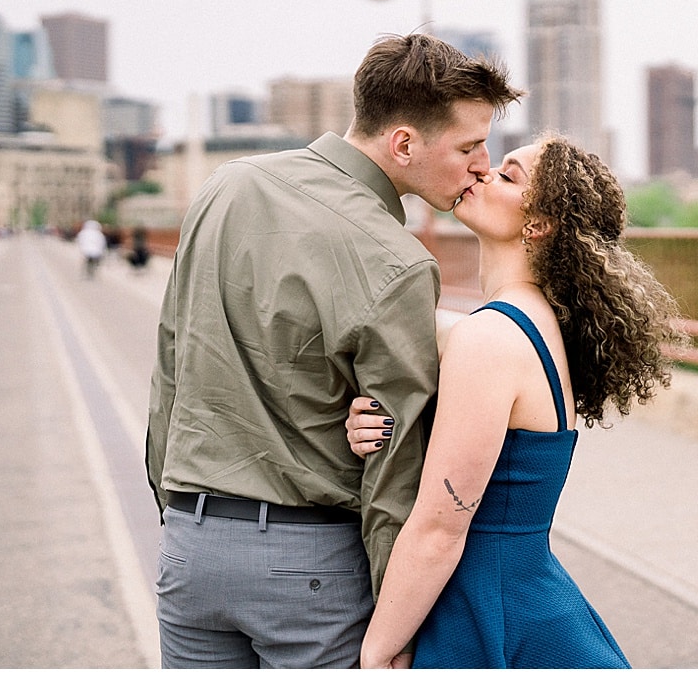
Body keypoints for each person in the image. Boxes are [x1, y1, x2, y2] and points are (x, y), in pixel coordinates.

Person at [145, 33, 524, 669]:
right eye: (467, 146)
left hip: (190, 549)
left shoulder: (225, 187)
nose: (482, 164)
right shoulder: (397, 261)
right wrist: (395, 625)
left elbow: (172, 361)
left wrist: (178, 510)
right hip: (309, 566)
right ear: (404, 143)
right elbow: (394, 465)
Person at [346, 134, 690, 669]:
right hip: (526, 598)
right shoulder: (523, 325)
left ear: (539, 224)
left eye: (507, 175)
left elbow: (441, 529)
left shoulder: (491, 339)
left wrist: (380, 647)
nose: (482, 172)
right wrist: (377, 420)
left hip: (487, 608)